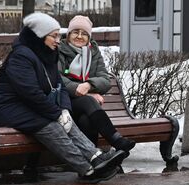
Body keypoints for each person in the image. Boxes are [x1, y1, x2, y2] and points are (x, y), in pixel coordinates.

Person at [0, 12, 129, 184]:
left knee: (65, 121)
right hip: (6, 108)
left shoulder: (48, 54)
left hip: (30, 106)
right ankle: (87, 169)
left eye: (58, 35)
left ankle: (96, 157)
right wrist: (56, 113)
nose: (57, 40)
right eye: (53, 36)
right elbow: (30, 93)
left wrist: (64, 109)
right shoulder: (21, 56)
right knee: (51, 124)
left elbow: (59, 86)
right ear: (39, 36)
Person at [58, 15, 136, 152]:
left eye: (84, 34)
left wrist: (88, 86)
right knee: (88, 102)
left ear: (89, 37)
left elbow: (105, 80)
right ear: (69, 34)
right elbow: (56, 77)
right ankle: (115, 139)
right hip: (63, 104)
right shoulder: (59, 50)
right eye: (75, 32)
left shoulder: (93, 52)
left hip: (84, 109)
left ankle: (93, 159)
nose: (79, 36)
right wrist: (79, 89)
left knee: (86, 121)